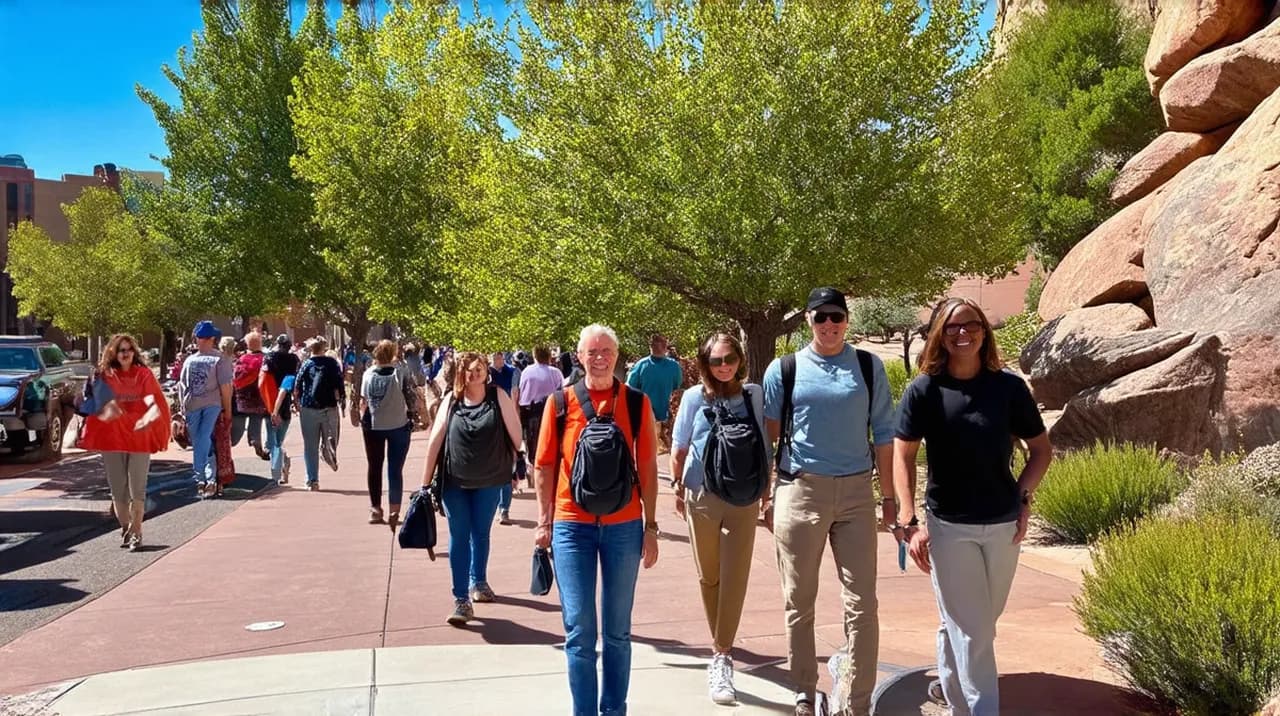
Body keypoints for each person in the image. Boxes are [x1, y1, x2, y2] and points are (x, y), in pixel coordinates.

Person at [893, 298, 1051, 716]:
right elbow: (902, 456)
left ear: (984, 330)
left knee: (969, 624)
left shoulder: (1008, 388)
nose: (963, 333)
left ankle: (953, 696)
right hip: (948, 526)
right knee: (975, 632)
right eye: (952, 327)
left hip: (1003, 525)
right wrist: (907, 520)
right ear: (939, 335)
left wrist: (1023, 495)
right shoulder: (925, 389)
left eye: (971, 325)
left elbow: (1040, 450)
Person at [762, 287, 895, 716]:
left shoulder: (868, 367)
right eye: (821, 318)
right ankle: (804, 689)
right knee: (799, 600)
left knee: (863, 604)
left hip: (856, 494)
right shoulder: (785, 369)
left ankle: (857, 701)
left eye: (836, 316)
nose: (829, 325)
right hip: (800, 492)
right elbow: (769, 438)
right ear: (808, 320)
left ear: (847, 320)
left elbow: (885, 436)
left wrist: (889, 497)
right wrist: (768, 494)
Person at [534, 324, 660, 716]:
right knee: (579, 631)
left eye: (607, 350)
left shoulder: (637, 403)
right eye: (592, 351)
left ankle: (613, 710)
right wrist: (544, 523)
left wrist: (651, 526)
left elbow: (649, 466)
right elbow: (544, 464)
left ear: (617, 356)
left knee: (618, 632)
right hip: (572, 526)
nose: (600, 357)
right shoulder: (559, 403)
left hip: (624, 525)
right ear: (580, 357)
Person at [670, 333, 769, 705]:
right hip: (702, 495)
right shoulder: (695, 398)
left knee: (736, 575)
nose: (724, 365)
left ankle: (721, 654)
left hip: (743, 499)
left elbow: (765, 446)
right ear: (704, 364)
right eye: (716, 360)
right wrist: (678, 489)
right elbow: (679, 448)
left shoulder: (754, 395)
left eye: (730, 358)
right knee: (708, 575)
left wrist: (767, 493)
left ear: (740, 359)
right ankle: (721, 645)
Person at [420, 351, 523, 625]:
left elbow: (515, 431)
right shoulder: (451, 401)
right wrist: (424, 483)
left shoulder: (497, 396)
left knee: (481, 532)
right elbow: (436, 438)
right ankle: (461, 599)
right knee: (459, 534)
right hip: (455, 481)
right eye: (469, 370)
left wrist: (520, 461)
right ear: (460, 374)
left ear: (486, 371)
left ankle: (479, 581)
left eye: (479, 369)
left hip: (490, 479)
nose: (475, 374)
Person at [78, 334, 170, 552]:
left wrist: (146, 417)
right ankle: (126, 527)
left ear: (134, 352)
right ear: (113, 353)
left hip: (139, 439)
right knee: (118, 490)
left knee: (138, 489)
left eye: (129, 349)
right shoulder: (105, 376)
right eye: (121, 350)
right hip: (113, 440)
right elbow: (94, 404)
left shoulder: (143, 375)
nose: (125, 353)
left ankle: (137, 532)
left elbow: (152, 401)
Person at [356, 340, 417, 529]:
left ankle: (375, 508)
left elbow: (363, 401)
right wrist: (414, 415)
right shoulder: (402, 371)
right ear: (393, 353)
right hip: (398, 424)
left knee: (374, 466)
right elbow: (411, 396)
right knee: (395, 469)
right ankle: (394, 509)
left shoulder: (368, 374)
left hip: (373, 425)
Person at [178, 321, 234, 499]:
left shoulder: (189, 360)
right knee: (205, 441)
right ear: (212, 339)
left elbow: (182, 387)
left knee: (200, 441)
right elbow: (225, 387)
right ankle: (206, 479)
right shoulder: (220, 359)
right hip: (212, 404)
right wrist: (228, 410)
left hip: (192, 405)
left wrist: (182, 409)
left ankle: (203, 479)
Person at [293, 338, 346, 491]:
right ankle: (327, 451)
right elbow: (339, 385)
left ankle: (312, 480)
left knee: (310, 446)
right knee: (332, 437)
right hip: (329, 407)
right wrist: (341, 401)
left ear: (311, 349)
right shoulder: (332, 363)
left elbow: (297, 386)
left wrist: (297, 403)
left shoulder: (306, 364)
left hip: (309, 407)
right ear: (324, 348)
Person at [625, 333, 684, 449]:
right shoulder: (642, 365)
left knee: (660, 452)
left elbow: (677, 389)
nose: (658, 347)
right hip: (647, 417)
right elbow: (629, 389)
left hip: (666, 418)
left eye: (660, 344)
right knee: (652, 452)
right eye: (655, 344)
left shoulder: (673, 366)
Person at [259, 334, 300, 483]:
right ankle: (280, 468)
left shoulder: (269, 358)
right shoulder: (294, 360)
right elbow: (295, 383)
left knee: (273, 441)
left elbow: (262, 380)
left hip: (270, 403)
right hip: (284, 405)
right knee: (277, 442)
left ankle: (276, 474)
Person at [489, 350, 522, 524]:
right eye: (495, 357)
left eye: (500, 357)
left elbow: (515, 396)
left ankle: (504, 509)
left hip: (507, 421)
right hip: (492, 423)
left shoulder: (513, 372)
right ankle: (494, 507)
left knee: (508, 467)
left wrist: (515, 420)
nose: (498, 360)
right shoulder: (487, 373)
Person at [231, 331, 270, 461]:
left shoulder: (241, 359)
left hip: (241, 397)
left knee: (238, 427)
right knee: (256, 421)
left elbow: (235, 377)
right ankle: (255, 440)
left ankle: (231, 441)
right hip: (258, 397)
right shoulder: (265, 359)